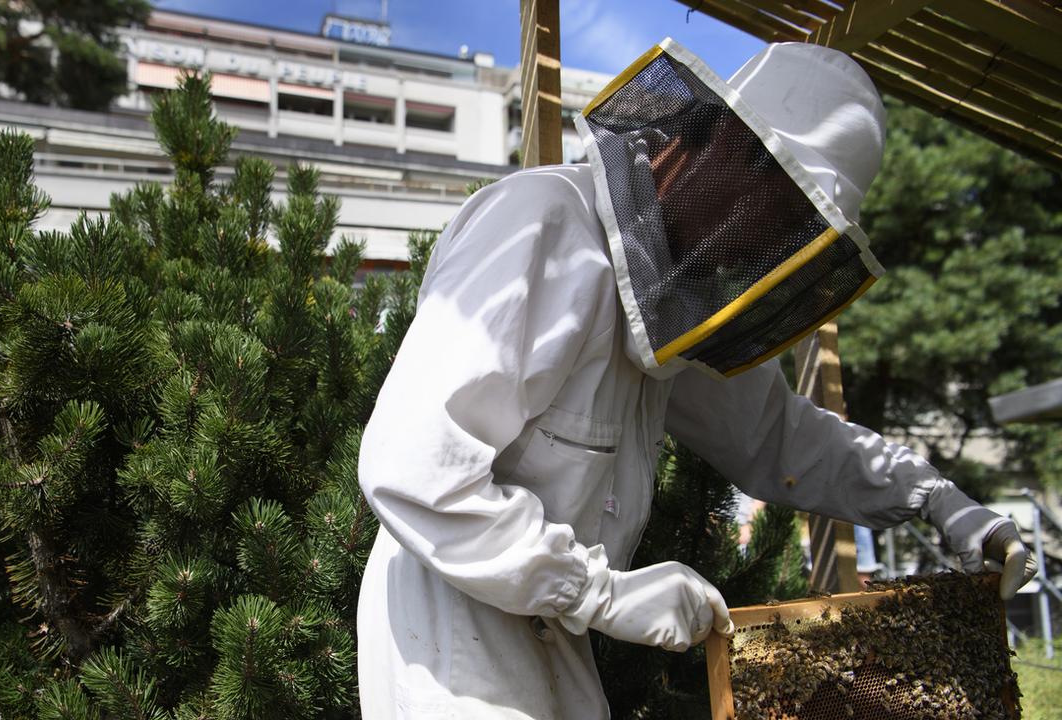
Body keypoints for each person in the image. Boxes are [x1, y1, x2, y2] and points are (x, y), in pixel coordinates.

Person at [356, 39, 1035, 720]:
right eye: (779, 201)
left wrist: (937, 500)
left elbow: (779, 436)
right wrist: (601, 595)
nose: (774, 240)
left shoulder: (670, 303)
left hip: (547, 635)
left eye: (799, 227)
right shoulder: (544, 225)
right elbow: (416, 465)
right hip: (445, 639)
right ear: (716, 146)